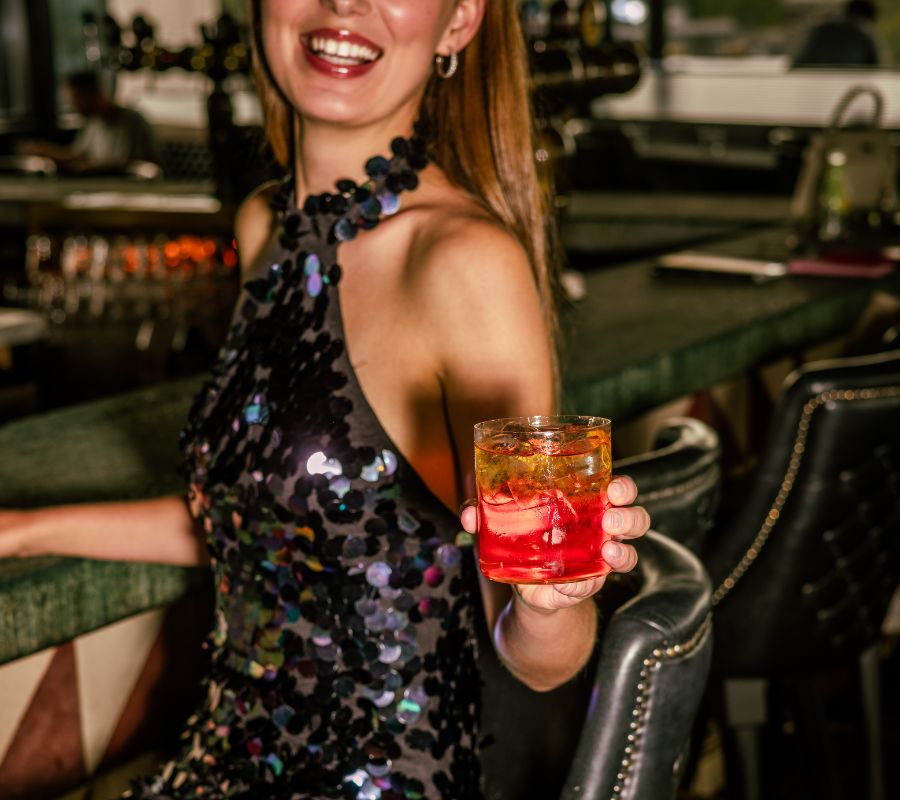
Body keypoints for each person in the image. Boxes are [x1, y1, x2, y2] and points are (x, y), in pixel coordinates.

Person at [0, 1, 649, 797]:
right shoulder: (267, 224)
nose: (345, 1)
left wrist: (553, 603)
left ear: (458, 22)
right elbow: (265, 522)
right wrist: (23, 531)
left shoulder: (463, 261)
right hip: (216, 766)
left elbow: (541, 657)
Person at [21, 70, 162, 174]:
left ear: (91, 94)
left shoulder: (132, 122)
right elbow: (76, 154)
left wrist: (89, 168)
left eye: (75, 99)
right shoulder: (93, 122)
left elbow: (133, 164)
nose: (73, 106)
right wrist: (46, 150)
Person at [792, 0, 882, 68]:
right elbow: (876, 67)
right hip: (848, 86)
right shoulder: (864, 37)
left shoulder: (819, 30)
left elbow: (798, 62)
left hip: (813, 84)